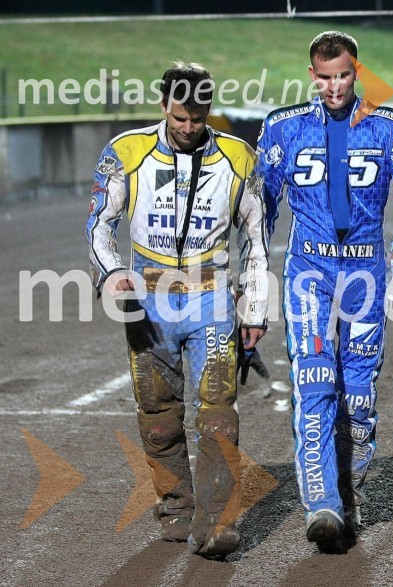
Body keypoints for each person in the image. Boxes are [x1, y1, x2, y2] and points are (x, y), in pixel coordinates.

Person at [256, 30, 393, 552]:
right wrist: (250, 272)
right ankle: (323, 506)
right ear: (311, 75)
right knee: (314, 383)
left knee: (357, 396)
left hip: (364, 273)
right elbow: (260, 209)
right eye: (324, 78)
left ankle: (348, 491)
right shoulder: (281, 128)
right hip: (308, 271)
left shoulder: (392, 127)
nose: (334, 87)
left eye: (343, 76)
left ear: (357, 71)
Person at [85, 62, 269, 558]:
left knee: (219, 415)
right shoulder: (125, 152)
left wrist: (254, 309)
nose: (189, 127)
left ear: (210, 108)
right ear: (163, 103)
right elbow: (99, 226)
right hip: (148, 300)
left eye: (199, 117)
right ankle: (177, 509)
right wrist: (113, 274)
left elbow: (256, 241)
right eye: (181, 116)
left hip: (212, 298)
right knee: (160, 418)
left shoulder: (240, 158)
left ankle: (215, 522)